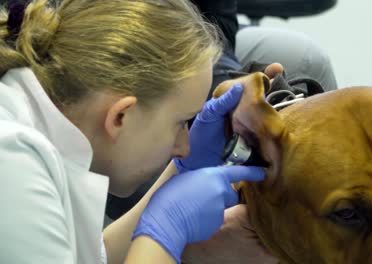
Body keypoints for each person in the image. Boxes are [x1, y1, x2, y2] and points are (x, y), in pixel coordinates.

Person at [0, 0, 283, 263]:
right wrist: (169, 228)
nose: (184, 146)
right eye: (180, 123)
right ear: (120, 116)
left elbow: (91, 256)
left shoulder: (42, 131)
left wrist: (181, 173)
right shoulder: (12, 161)